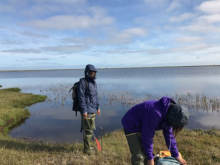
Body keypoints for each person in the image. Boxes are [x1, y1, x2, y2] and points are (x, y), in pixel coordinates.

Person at [121, 97, 189, 165]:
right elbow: (147, 136)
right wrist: (150, 159)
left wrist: (177, 156)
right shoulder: (155, 113)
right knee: (138, 156)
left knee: (145, 152)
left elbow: (170, 137)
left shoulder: (168, 114)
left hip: (143, 125)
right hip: (131, 124)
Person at [77, 64, 101, 155]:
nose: (92, 74)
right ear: (87, 72)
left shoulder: (93, 83)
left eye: (94, 73)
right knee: (88, 131)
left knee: (90, 129)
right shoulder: (83, 82)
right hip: (87, 111)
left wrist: (98, 107)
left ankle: (87, 146)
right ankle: (87, 150)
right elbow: (81, 98)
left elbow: (95, 96)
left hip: (93, 109)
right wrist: (84, 111)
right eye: (91, 72)